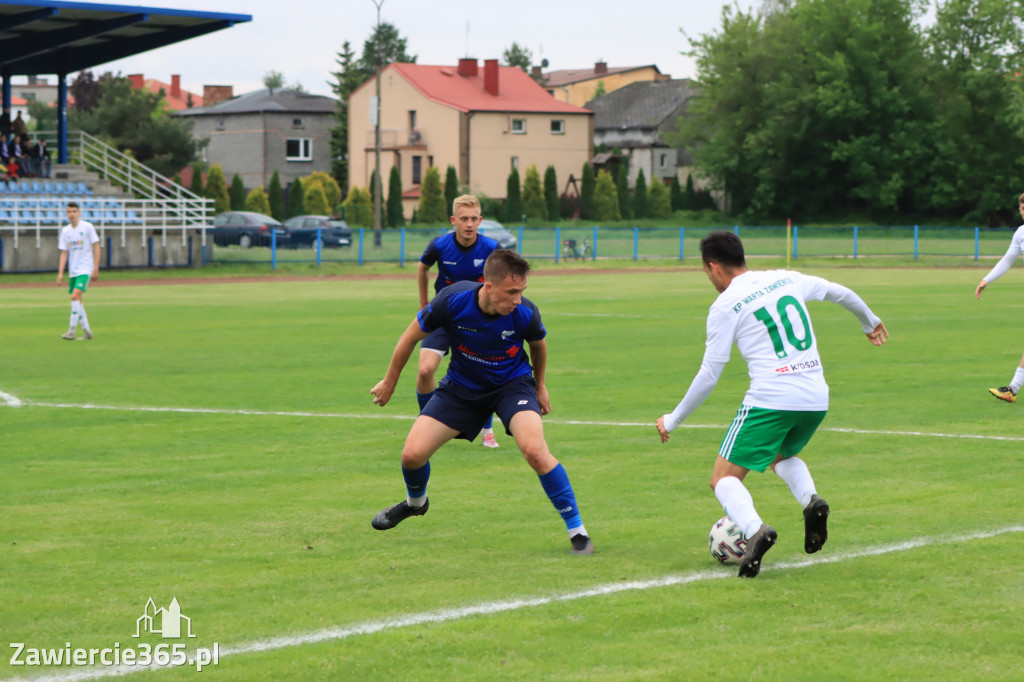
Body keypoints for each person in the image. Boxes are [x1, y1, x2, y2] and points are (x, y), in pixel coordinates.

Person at [656, 232, 887, 578]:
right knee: (780, 454)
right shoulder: (785, 278)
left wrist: (672, 420)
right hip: (815, 396)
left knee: (722, 478)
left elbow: (709, 373)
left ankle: (754, 532)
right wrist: (869, 321)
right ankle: (811, 500)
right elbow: (840, 292)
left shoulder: (725, 304)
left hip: (772, 398)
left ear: (714, 267)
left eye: (706, 272)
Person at [369, 249, 595, 555]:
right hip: (461, 388)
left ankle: (578, 532)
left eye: (522, 292)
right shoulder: (452, 301)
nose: (517, 299)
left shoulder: (525, 313)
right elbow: (409, 337)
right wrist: (389, 381)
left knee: (536, 452)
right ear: (489, 287)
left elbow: (538, 347)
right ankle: (416, 504)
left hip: (512, 386)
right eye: (512, 292)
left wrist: (540, 386)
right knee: (411, 455)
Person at [417, 194, 502, 448]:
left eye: (474, 219)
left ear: (480, 220)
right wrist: (424, 304)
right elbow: (423, 267)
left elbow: (503, 279)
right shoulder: (440, 245)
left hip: (478, 321)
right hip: (443, 317)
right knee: (424, 370)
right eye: (464, 219)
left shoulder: (491, 248)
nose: (469, 224)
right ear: (454, 220)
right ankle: (426, 422)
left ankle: (487, 430)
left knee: (485, 375)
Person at [975, 192, 1024, 402]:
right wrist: (987, 279)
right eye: (1022, 208)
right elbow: (1008, 259)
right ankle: (1012, 389)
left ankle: (1012, 388)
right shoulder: (1021, 233)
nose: (1022, 212)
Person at [56, 202, 100, 340]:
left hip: (85, 268)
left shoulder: (87, 227)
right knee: (78, 301)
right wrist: (60, 273)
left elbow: (97, 246)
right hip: (73, 270)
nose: (72, 214)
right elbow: (64, 253)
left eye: (74, 211)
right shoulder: (65, 231)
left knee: (74, 296)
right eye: (69, 212)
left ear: (79, 213)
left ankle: (72, 330)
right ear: (66, 214)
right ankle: (87, 332)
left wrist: (95, 268)